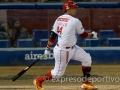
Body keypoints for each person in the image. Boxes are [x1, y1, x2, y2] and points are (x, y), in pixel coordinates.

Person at [33, 0, 98, 90]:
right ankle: (39, 80)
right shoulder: (75, 21)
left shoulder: (59, 18)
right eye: (73, 8)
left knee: (87, 58)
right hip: (63, 50)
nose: (75, 10)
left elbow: (53, 35)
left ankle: (86, 83)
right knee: (57, 74)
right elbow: (83, 35)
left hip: (72, 47)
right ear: (68, 9)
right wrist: (92, 35)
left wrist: (48, 48)